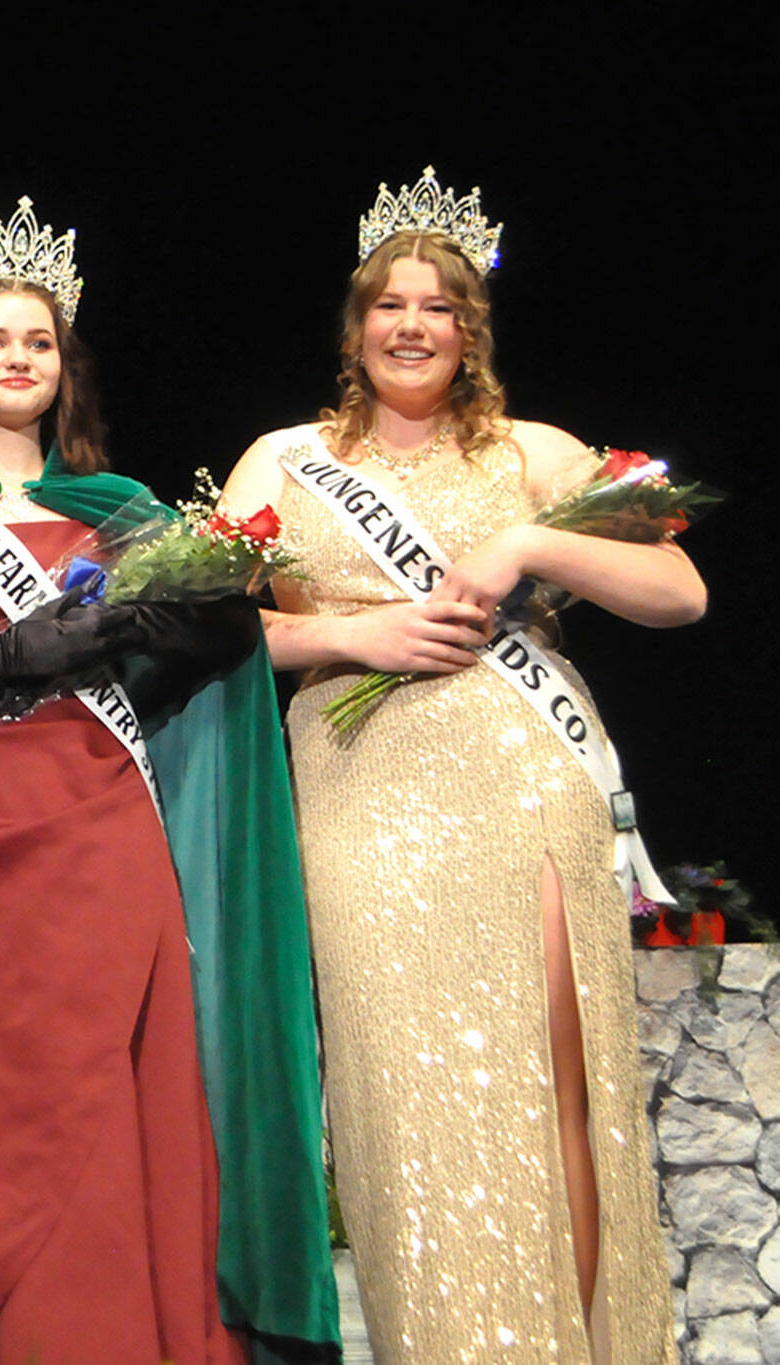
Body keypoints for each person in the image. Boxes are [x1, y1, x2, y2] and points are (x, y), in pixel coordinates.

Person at [0, 198, 338, 1364]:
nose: (16, 358)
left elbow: (222, 647)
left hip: (96, 823)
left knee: (103, 1093)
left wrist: (166, 618)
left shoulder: (121, 511)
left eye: (37, 341)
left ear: (62, 366)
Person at [221, 168, 702, 1362]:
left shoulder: (532, 454)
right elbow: (198, 634)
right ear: (355, 325)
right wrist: (344, 633)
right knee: (406, 1100)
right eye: (389, 303)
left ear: (467, 330)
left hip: (524, 775)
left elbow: (677, 593)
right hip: (360, 792)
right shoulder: (280, 459)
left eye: (437, 306)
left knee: (559, 1090)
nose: (411, 325)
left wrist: (530, 542)